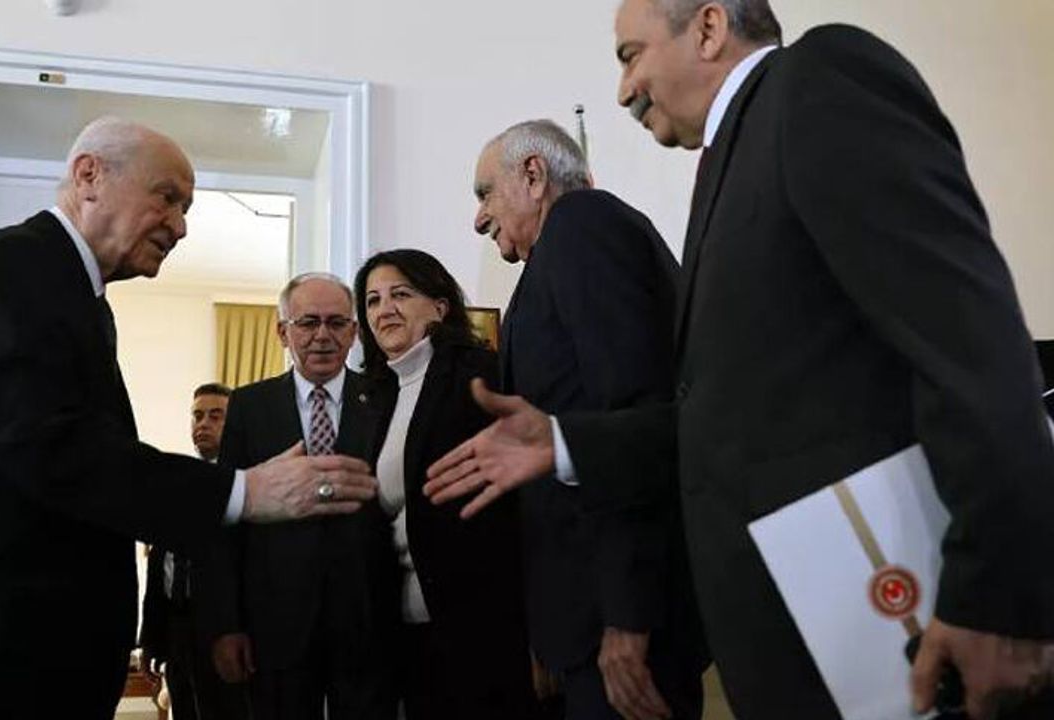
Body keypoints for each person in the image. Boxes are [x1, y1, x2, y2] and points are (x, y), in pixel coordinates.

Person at [427, 2, 1054, 719]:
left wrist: (999, 594)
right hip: (805, 635)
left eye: (631, 55)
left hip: (893, 614)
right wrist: (567, 443)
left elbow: (967, 336)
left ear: (709, 27)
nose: (624, 90)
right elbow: (719, 417)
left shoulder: (817, 81)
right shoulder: (729, 163)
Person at [0, 117, 377, 720]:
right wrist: (243, 491)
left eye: (185, 208)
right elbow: (47, 445)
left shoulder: (74, 294)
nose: (180, 226)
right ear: (89, 176)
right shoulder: (12, 265)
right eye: (167, 197)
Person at [471, 120, 706, 720]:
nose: (479, 218)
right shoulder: (554, 256)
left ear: (533, 175)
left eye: (485, 193)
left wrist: (629, 616)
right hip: (585, 621)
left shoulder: (583, 224)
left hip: (623, 625)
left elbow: (633, 421)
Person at [353, 249, 537, 719]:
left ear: (439, 305)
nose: (384, 309)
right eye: (372, 300)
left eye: (400, 294)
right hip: (407, 631)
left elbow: (526, 503)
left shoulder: (481, 375)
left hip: (484, 626)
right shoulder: (377, 395)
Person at [206, 273, 397, 720]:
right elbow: (227, 521)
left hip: (369, 619)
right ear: (282, 331)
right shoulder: (249, 407)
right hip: (276, 622)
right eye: (308, 322)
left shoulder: (384, 398)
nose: (322, 336)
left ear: (354, 332)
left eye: (336, 323)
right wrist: (225, 625)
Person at [141, 382, 249, 720]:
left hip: (226, 632)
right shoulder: (176, 482)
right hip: (177, 630)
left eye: (215, 416)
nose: (203, 424)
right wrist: (151, 638)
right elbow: (160, 567)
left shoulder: (246, 486)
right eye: (197, 416)